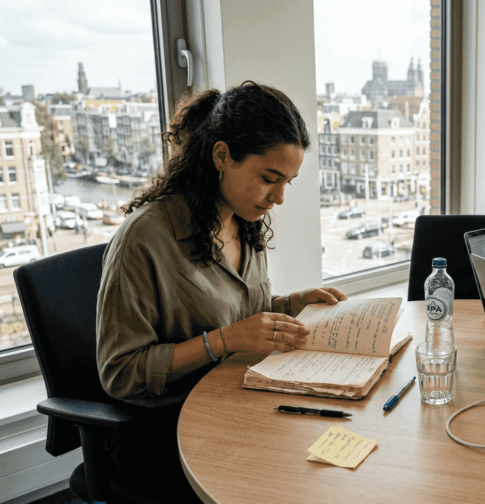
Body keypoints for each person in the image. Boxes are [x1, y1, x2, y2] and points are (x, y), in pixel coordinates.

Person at [96, 81, 347, 500]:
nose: (280, 197)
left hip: (236, 400)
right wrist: (223, 342)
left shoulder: (242, 222)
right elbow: (120, 373)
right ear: (222, 156)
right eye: (270, 178)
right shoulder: (145, 239)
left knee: (330, 446)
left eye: (288, 181)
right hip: (163, 427)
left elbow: (238, 311)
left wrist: (293, 303)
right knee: (289, 476)